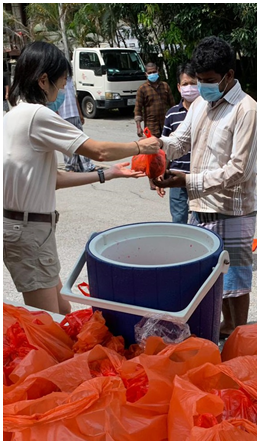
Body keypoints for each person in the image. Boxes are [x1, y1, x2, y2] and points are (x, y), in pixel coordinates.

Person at [3, 41, 160, 314]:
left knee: (63, 314)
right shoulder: (36, 115)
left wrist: (107, 174)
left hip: (30, 231)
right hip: (28, 232)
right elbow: (97, 150)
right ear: (43, 80)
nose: (63, 90)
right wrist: (139, 147)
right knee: (48, 325)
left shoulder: (13, 115)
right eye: (62, 83)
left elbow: (52, 180)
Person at [153, 37, 257, 339]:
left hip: (232, 209)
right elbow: (180, 141)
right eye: (200, 80)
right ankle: (220, 330)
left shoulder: (248, 112)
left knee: (236, 280)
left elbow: (238, 170)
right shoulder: (201, 104)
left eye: (209, 81)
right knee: (207, 278)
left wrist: (187, 181)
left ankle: (236, 335)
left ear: (229, 76)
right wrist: (153, 148)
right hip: (199, 206)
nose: (202, 87)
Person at [156, 63, 199, 224]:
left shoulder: (208, 112)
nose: (189, 88)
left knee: (201, 220)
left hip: (198, 177)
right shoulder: (172, 114)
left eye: (193, 84)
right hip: (176, 175)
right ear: (179, 87)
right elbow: (166, 147)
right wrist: (161, 172)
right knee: (179, 220)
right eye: (186, 84)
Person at [57, 75, 96, 173]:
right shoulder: (55, 80)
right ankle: (70, 167)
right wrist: (57, 116)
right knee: (68, 144)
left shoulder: (69, 80)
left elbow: (74, 97)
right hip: (63, 116)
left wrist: (80, 113)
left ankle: (86, 165)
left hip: (74, 114)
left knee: (81, 141)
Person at [134, 62, 174, 138]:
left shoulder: (165, 86)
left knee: (167, 147)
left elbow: (173, 106)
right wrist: (138, 127)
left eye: (154, 72)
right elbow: (137, 109)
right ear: (146, 74)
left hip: (165, 125)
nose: (152, 74)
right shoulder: (142, 89)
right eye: (150, 73)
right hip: (151, 127)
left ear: (158, 71)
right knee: (153, 148)